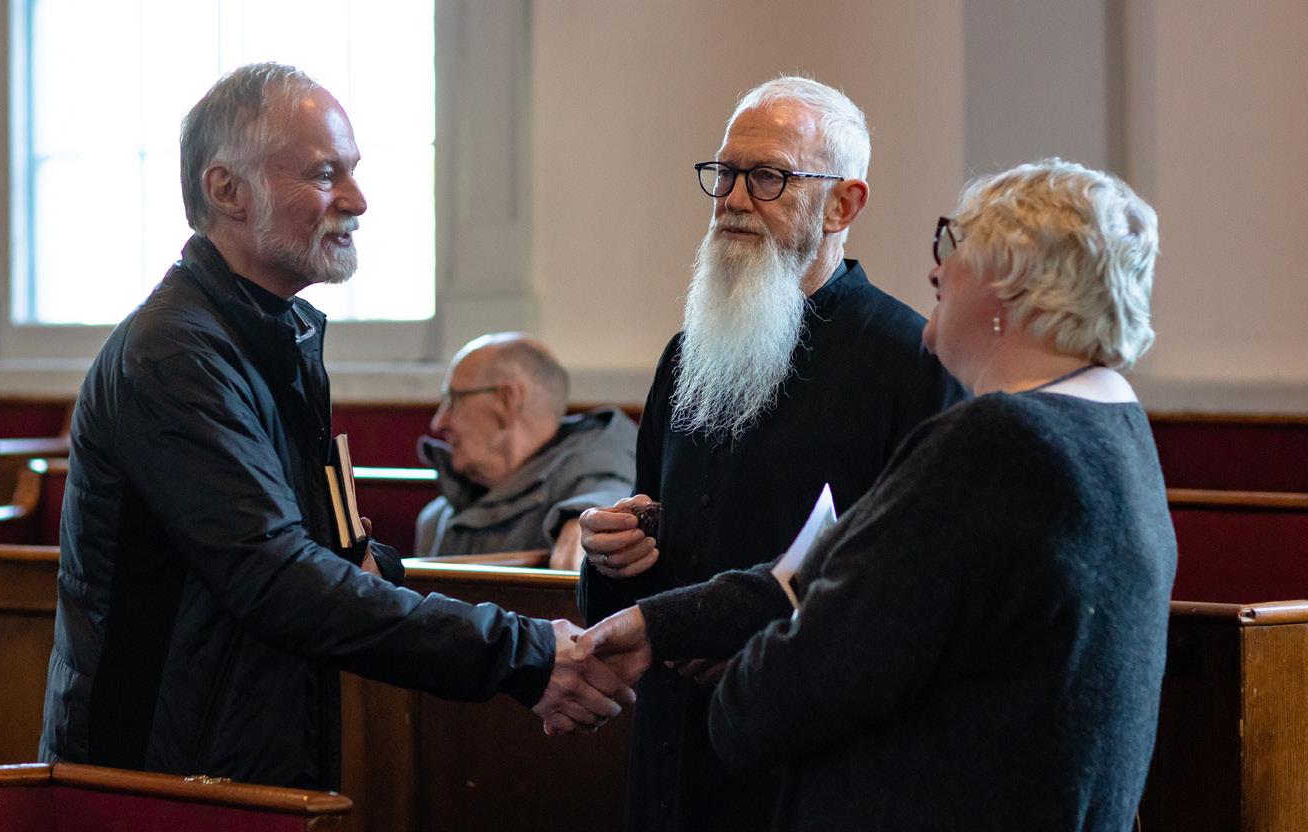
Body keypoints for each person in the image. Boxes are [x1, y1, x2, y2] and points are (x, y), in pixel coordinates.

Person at [37, 63, 633, 791]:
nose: (357, 199)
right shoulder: (173, 354)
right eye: (325, 174)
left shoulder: (270, 334)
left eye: (351, 171)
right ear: (227, 190)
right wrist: (522, 654)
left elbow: (319, 555)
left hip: (237, 760)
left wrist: (379, 567)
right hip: (157, 782)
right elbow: (276, 577)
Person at [576, 159, 1175, 831]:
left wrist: (743, 671)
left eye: (956, 243)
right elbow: (845, 567)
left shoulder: (998, 442)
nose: (936, 271)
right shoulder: (1110, 424)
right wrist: (663, 624)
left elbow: (796, 682)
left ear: (1013, 287)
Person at [575, 76, 966, 831]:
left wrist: (772, 655)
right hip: (672, 763)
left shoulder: (910, 364)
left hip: (811, 775)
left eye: (767, 178)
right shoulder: (686, 356)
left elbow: (914, 597)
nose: (732, 199)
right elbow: (653, 545)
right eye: (724, 174)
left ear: (843, 205)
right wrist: (613, 554)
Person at [416, 333, 636, 569]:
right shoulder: (435, 520)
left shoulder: (592, 476)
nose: (438, 422)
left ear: (507, 400)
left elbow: (613, 493)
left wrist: (588, 521)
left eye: (453, 400)